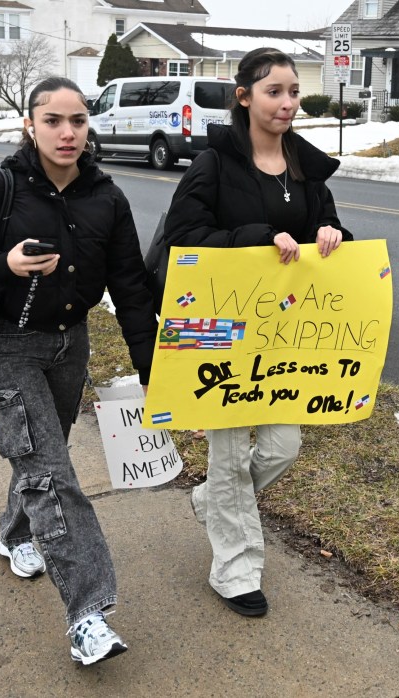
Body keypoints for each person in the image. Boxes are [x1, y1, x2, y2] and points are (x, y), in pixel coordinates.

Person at [0, 77, 158, 664]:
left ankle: (13, 534)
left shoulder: (107, 196)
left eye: (78, 121)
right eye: (53, 120)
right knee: (54, 476)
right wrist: (3, 264)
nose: (67, 132)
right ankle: (89, 614)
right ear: (30, 123)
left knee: (41, 456)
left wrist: (152, 364)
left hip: (70, 344)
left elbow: (131, 287)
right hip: (9, 345)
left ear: (89, 126)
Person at [163, 48, 353, 617]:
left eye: (294, 92)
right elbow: (183, 237)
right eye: (275, 91)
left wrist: (331, 233)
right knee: (227, 456)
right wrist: (255, 237)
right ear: (244, 97)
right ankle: (236, 571)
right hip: (221, 328)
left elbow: (336, 226)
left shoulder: (306, 167)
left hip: (288, 335)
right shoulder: (215, 164)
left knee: (281, 448)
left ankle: (212, 502)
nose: (288, 103)